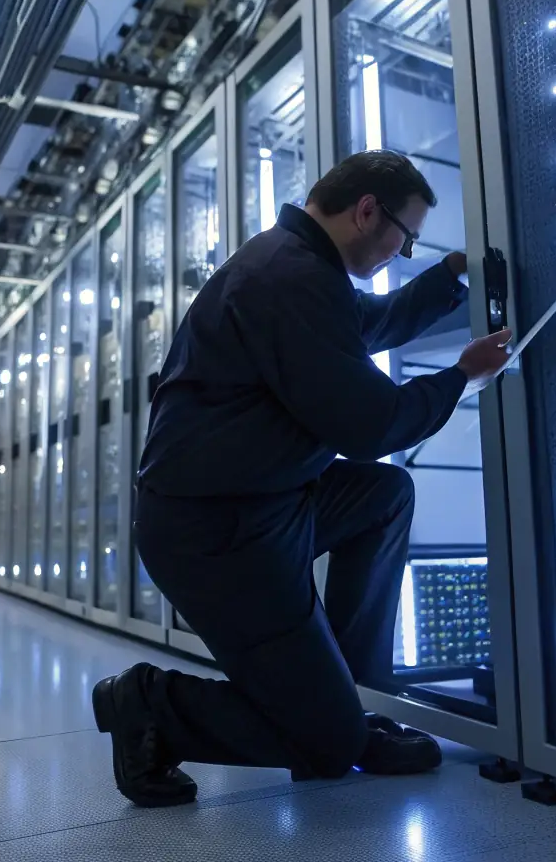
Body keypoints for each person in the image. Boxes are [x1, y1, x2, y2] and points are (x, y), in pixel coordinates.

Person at [92, 149, 513, 807]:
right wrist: (461, 376)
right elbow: (369, 427)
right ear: (366, 211)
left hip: (267, 501)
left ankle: (351, 697)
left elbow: (369, 324)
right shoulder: (287, 277)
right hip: (218, 536)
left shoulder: (296, 264)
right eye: (404, 239)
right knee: (325, 749)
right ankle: (151, 703)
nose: (400, 255)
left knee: (381, 495)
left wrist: (451, 275)